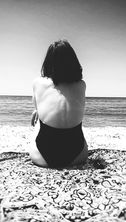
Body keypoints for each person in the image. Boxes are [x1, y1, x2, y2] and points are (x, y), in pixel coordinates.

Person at [29, 40, 88, 168]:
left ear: (48, 61)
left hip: (42, 157)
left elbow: (39, 107)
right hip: (78, 156)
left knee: (39, 120)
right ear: (73, 62)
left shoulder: (38, 82)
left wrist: (37, 112)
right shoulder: (81, 85)